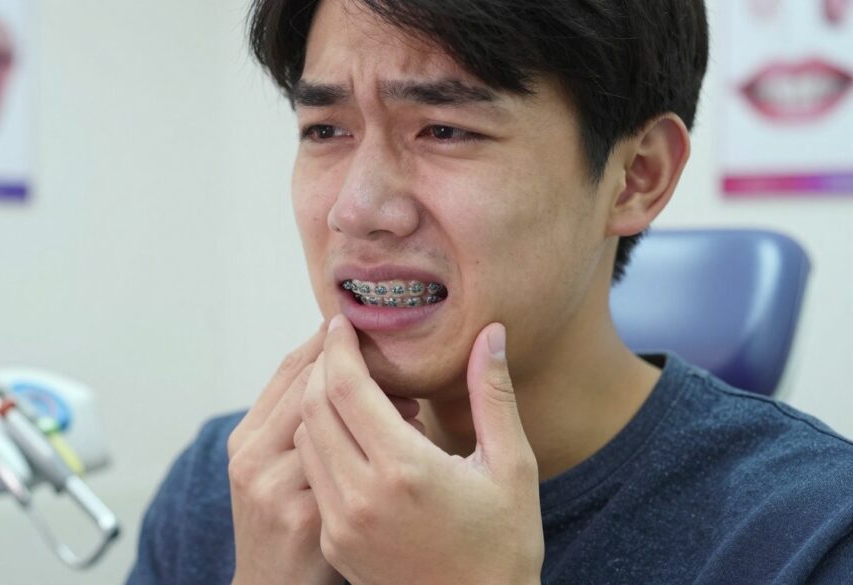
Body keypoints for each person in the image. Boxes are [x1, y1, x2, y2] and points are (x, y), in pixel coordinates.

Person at [127, 0, 853, 583]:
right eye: (325, 130)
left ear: (637, 176)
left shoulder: (807, 534)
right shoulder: (226, 489)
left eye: (443, 129)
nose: (357, 208)